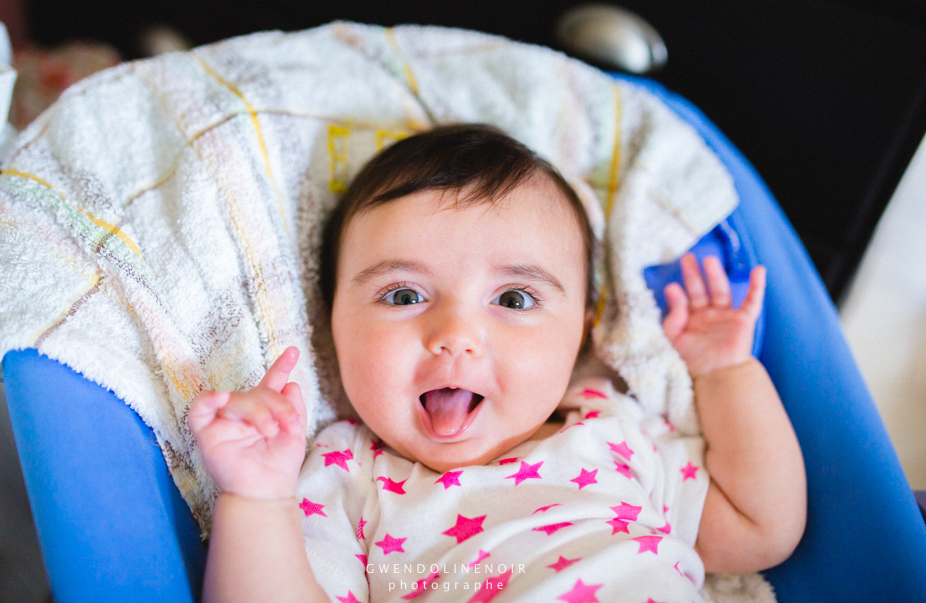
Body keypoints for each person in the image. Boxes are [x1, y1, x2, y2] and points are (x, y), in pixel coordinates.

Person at [189, 124, 806, 602]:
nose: (456, 336)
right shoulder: (348, 475)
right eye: (404, 295)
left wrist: (725, 371)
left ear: (582, 333)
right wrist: (257, 498)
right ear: (330, 323)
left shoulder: (609, 429)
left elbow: (760, 526)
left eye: (514, 299)